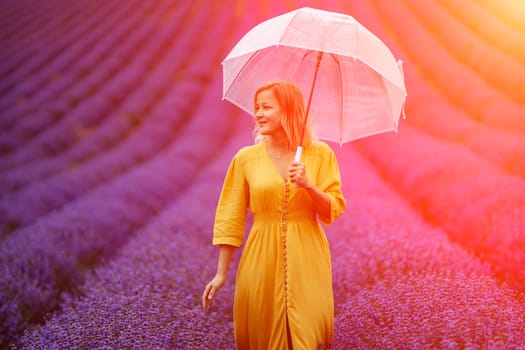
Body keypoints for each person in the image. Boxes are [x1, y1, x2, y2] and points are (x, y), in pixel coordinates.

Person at [202, 81, 346, 349]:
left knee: (308, 331)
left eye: (267, 107)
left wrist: (309, 186)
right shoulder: (246, 158)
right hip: (260, 256)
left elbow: (332, 210)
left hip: (308, 254)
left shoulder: (320, 154)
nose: (258, 113)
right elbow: (229, 216)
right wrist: (221, 273)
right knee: (262, 332)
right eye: (257, 107)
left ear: (288, 110)